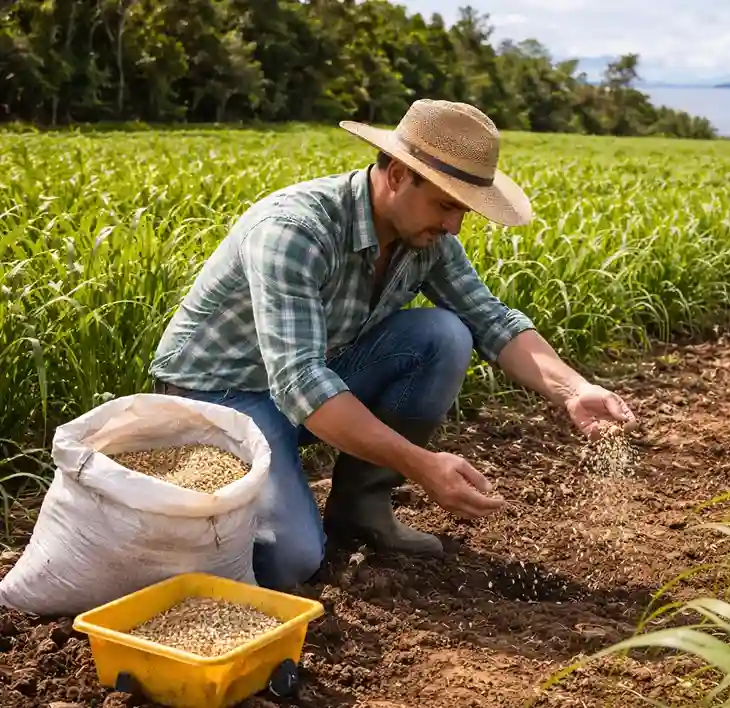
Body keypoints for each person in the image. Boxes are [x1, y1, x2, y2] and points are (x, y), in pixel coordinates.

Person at [148, 99, 638, 591]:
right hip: (218, 396)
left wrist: (573, 389)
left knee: (443, 335)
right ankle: (192, 522)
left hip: (303, 388)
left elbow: (491, 320)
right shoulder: (296, 231)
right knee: (291, 560)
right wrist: (422, 465)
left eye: (462, 211)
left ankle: (360, 511)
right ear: (400, 175)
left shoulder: (425, 239)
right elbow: (300, 380)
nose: (454, 226)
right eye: (446, 205)